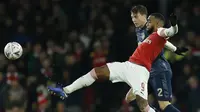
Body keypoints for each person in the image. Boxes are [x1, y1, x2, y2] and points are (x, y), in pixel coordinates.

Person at [47, 13, 178, 112]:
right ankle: (66, 90)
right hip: (128, 65)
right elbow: (167, 44)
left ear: (158, 24)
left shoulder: (160, 32)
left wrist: (174, 25)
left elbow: (171, 31)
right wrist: (176, 49)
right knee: (97, 71)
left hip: (140, 71)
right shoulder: (151, 38)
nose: (147, 21)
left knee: (143, 106)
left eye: (150, 20)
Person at [125, 5, 188, 112]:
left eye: (136, 16)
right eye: (132, 17)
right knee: (130, 98)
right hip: (146, 72)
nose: (133, 20)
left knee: (164, 105)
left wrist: (174, 25)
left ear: (144, 15)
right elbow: (159, 41)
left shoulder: (152, 27)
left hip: (159, 69)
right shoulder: (138, 30)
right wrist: (175, 49)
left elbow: (169, 32)